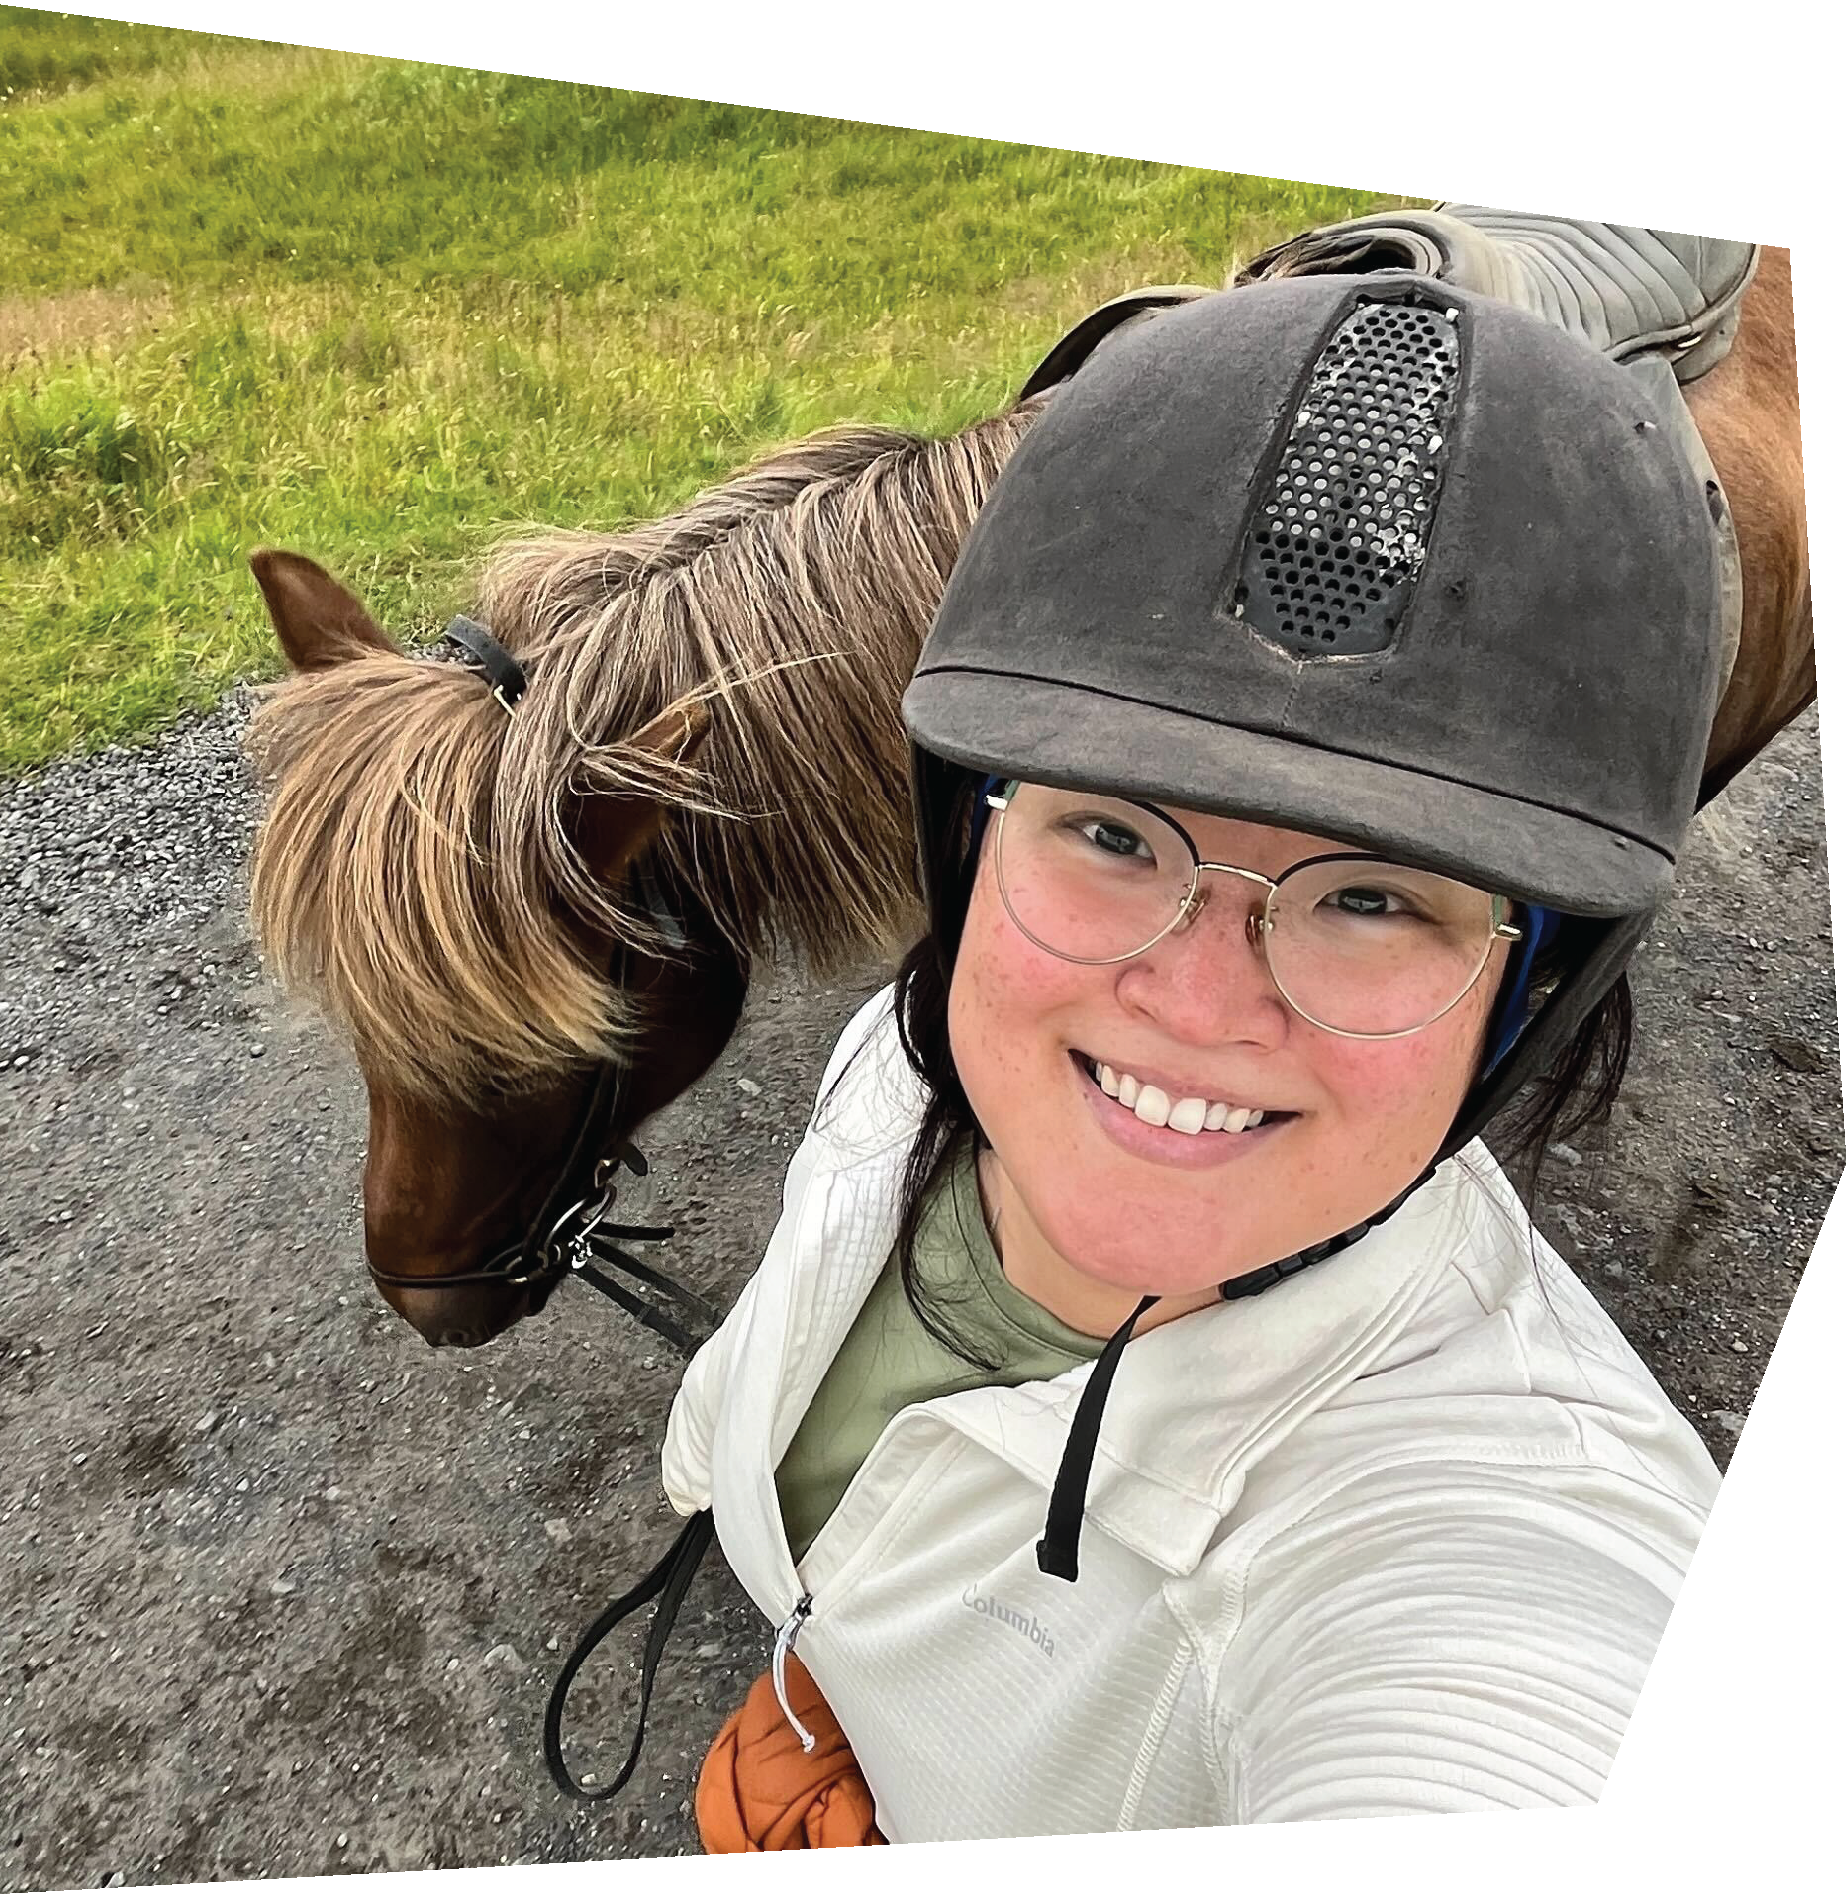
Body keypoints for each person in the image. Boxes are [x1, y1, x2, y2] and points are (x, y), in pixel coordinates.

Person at [660, 270, 1727, 1839]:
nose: (1195, 1003)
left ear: (1530, 1001)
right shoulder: (910, 1058)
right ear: (970, 845)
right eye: (1108, 829)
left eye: (1371, 896)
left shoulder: (1486, 1517)